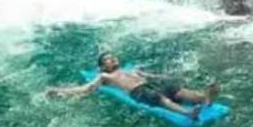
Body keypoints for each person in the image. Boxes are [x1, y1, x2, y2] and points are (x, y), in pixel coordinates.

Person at [46, 52, 220, 120]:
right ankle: (188, 113)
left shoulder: (133, 70)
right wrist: (60, 91)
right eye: (108, 59)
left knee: (177, 89)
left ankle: (205, 97)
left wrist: (176, 77)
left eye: (113, 57)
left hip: (150, 83)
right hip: (138, 91)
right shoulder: (105, 75)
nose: (113, 59)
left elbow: (155, 76)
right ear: (102, 66)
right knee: (160, 99)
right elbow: (85, 89)